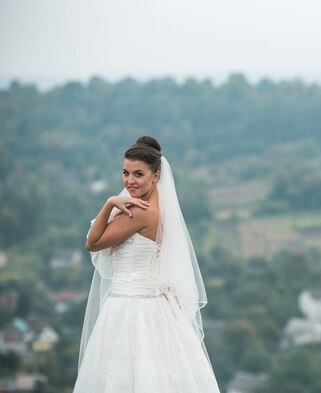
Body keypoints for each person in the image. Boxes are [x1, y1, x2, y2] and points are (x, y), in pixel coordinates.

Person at [73, 136, 221, 393]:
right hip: (151, 304)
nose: (129, 181)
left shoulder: (139, 212)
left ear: (156, 175)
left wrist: (109, 203)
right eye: (125, 172)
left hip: (130, 306)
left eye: (138, 174)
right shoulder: (157, 206)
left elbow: (93, 243)